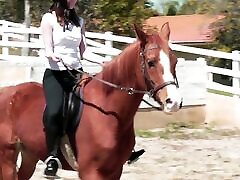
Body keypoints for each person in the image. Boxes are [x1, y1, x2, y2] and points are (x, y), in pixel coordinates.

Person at [41, 0, 86, 177]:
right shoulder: (48, 19)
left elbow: (84, 52)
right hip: (56, 73)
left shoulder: (79, 22)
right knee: (54, 111)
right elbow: (48, 48)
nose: (74, 0)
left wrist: (102, 62)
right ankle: (52, 158)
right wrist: (53, 55)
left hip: (76, 73)